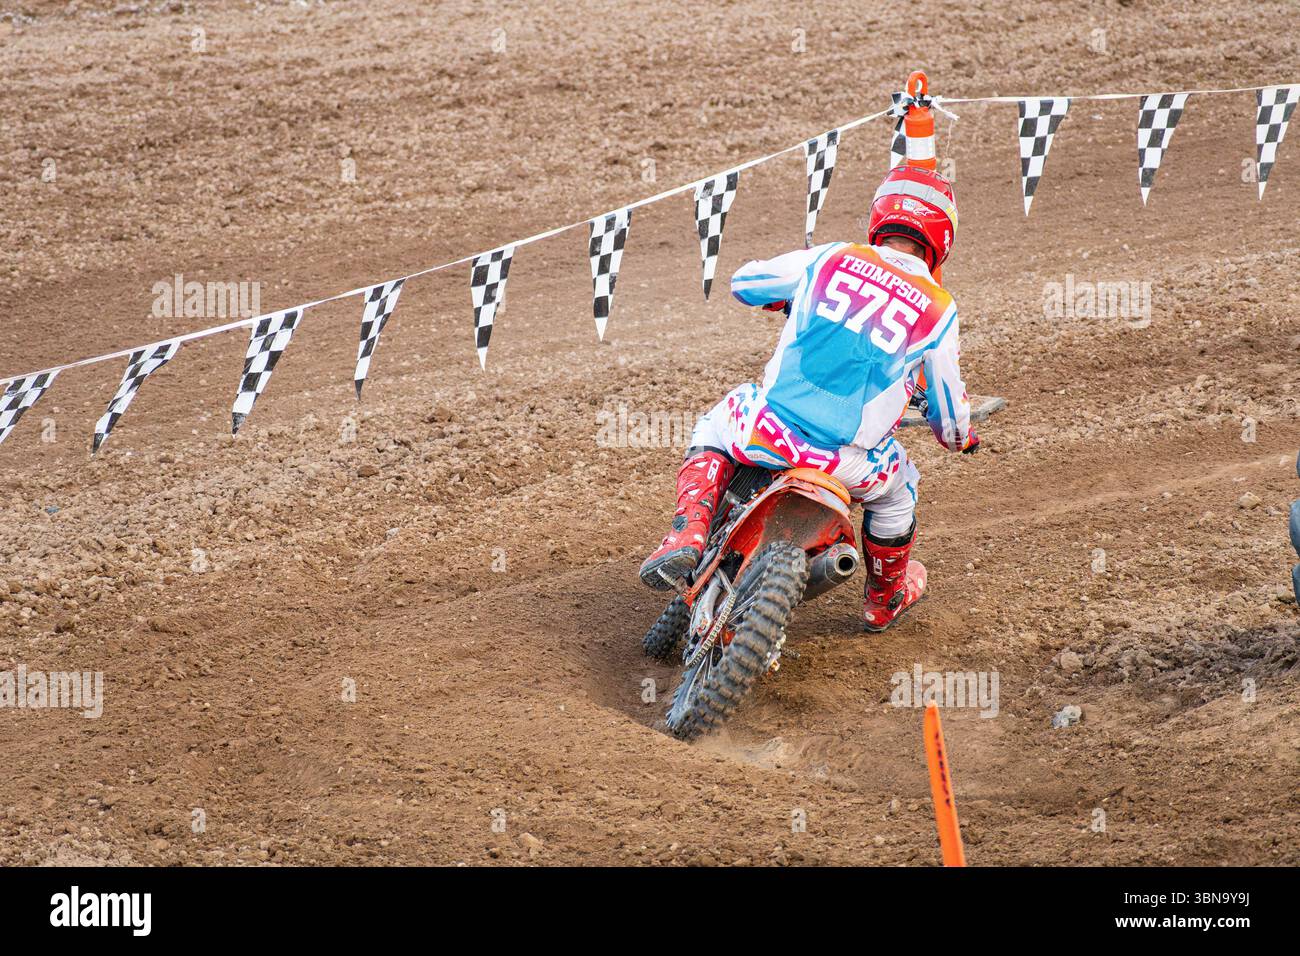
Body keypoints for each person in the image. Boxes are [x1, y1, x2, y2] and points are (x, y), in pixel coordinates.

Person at [639, 163, 978, 631]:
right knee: (900, 495)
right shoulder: (939, 308)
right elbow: (950, 419)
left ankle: (688, 531)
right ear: (941, 238)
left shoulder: (833, 257)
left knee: (717, 421)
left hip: (769, 430)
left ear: (880, 216)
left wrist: (791, 299)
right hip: (846, 463)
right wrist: (962, 438)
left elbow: (745, 284)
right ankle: (884, 600)